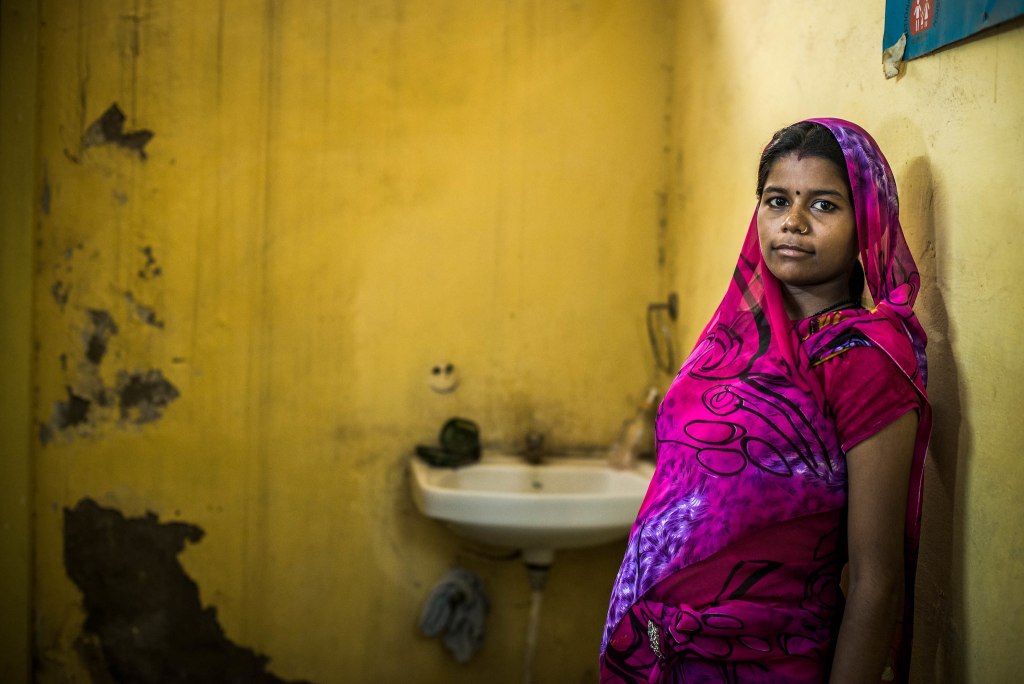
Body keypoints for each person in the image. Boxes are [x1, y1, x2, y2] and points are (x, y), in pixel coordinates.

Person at [599, 119, 931, 683]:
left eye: (823, 205)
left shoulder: (863, 362)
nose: (793, 222)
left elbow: (877, 583)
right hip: (654, 647)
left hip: (764, 659)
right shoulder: (729, 340)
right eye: (777, 200)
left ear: (866, 226)